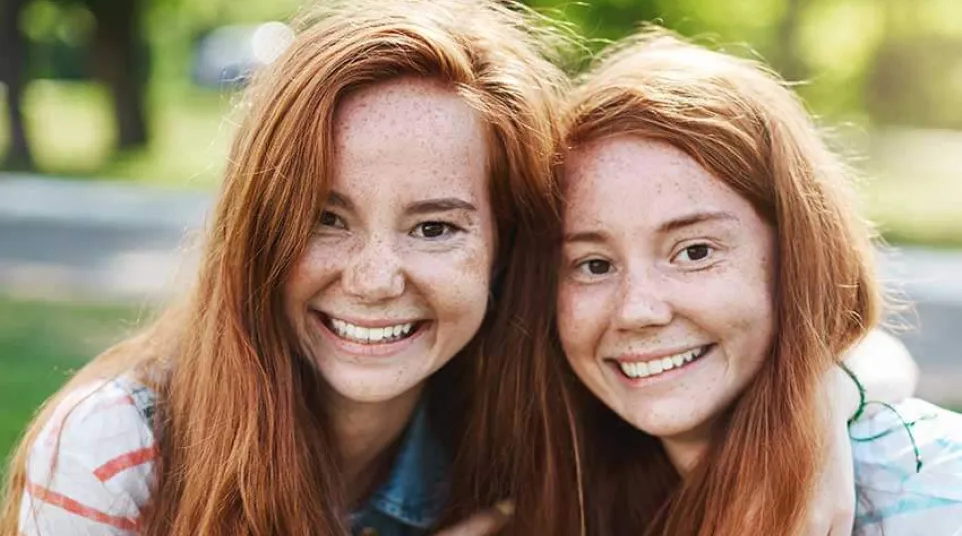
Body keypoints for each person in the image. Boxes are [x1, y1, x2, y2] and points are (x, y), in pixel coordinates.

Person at [0, 1, 567, 534]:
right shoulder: (112, 454)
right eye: (326, 218)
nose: (373, 281)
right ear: (257, 230)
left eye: (434, 229)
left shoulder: (533, 453)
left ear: (505, 247)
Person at [541, 29, 961, 535]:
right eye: (594, 264)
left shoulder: (936, 494)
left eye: (695, 252)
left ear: (798, 258)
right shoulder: (551, 487)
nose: (636, 310)